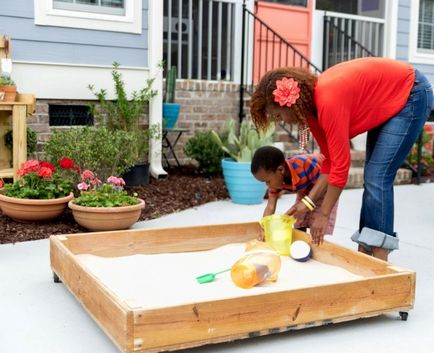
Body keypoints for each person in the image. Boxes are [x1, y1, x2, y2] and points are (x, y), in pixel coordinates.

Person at [250, 57, 433, 261]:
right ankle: (367, 249)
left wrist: (324, 213)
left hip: (411, 93)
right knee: (373, 176)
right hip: (390, 96)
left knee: (377, 176)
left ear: (290, 103)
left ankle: (379, 257)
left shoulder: (327, 102)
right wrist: (308, 204)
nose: (280, 121)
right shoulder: (312, 113)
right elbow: (329, 160)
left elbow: (341, 166)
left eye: (278, 115)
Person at [252, 146, 338, 236]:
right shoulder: (275, 179)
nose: (267, 185)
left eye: (268, 181)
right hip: (305, 190)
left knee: (317, 224)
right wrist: (264, 227)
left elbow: (325, 182)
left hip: (325, 187)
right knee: (299, 220)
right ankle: (301, 245)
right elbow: (270, 207)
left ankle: (316, 245)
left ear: (280, 170)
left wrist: (308, 204)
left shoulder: (305, 165)